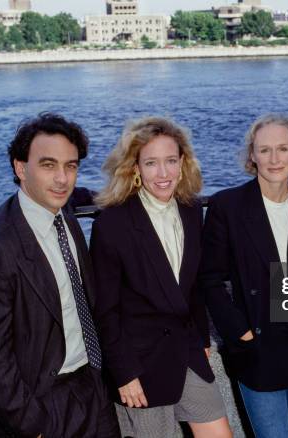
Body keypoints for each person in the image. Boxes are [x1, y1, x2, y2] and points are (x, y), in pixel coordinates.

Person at [0, 113, 120, 437]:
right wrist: (34, 426)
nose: (62, 178)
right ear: (21, 169)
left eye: (71, 166)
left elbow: (80, 193)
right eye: (48, 165)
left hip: (93, 390)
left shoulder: (64, 214)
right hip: (42, 406)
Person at [90, 117, 232, 438]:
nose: (164, 173)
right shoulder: (112, 224)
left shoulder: (191, 209)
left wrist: (202, 339)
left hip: (188, 353)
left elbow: (192, 283)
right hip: (139, 364)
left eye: (170, 161)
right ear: (135, 167)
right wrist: (124, 373)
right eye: (151, 163)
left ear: (182, 163)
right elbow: (105, 311)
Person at [201, 114, 288, 438]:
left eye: (283, 148)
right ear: (252, 155)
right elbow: (209, 278)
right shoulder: (227, 206)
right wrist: (240, 332)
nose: (274, 159)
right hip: (257, 344)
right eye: (264, 150)